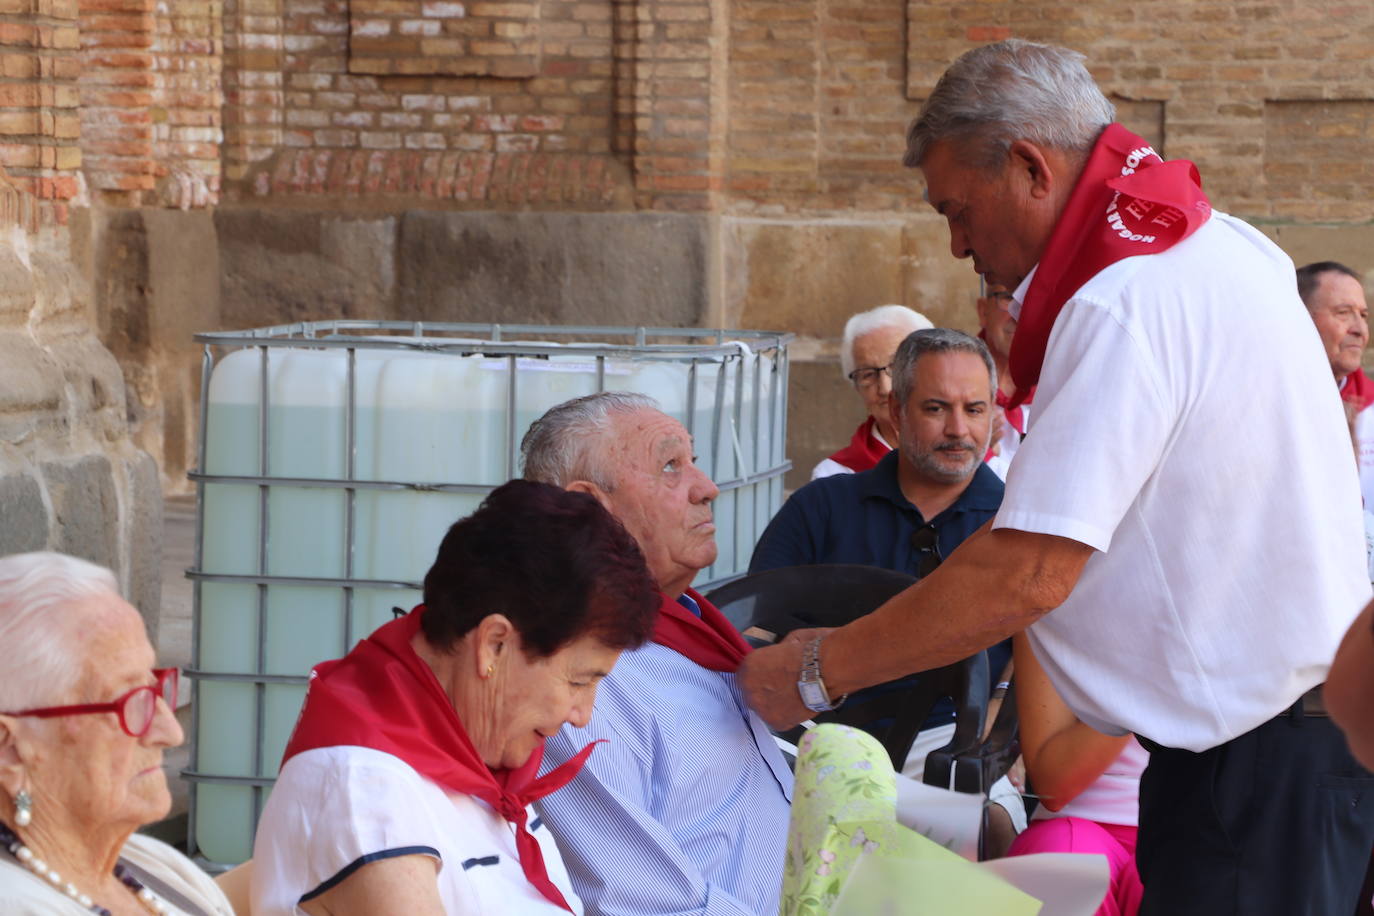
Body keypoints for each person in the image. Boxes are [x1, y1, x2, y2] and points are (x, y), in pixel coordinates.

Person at [737, 38, 1374, 916]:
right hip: (1277, 746)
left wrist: (818, 670)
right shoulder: (1227, 246)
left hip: (1257, 760)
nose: (958, 244)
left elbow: (1029, 570)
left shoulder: (1124, 299)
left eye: (957, 210)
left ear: (1032, 168)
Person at [251, 480, 661, 916]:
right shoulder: (362, 790)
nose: (583, 715)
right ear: (495, 645)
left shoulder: (473, 755)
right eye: (579, 681)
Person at [522, 392, 793, 916]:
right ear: (591, 508)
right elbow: (643, 905)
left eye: (694, 461)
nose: (707, 488)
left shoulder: (687, 625)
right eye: (671, 466)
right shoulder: (580, 676)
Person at [0, 551, 235, 916]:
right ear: (9, 749)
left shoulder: (151, 865)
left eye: (155, 688)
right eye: (129, 702)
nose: (170, 732)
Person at [1006, 633, 1145, 916]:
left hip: (1202, 819)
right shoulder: (1052, 604)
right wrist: (1151, 676)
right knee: (1064, 872)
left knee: (1187, 872)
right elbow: (1054, 787)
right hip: (1076, 820)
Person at [812, 305, 933, 479]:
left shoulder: (971, 461)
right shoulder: (833, 477)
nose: (885, 388)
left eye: (896, 366)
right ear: (856, 387)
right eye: (868, 374)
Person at [1297, 261, 1374, 505]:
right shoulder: (1261, 403)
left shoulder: (1370, 406)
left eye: (1363, 315)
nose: (1360, 330)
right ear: (1300, 319)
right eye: (1343, 313)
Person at [976, 280, 1030, 480]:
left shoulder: (1060, 384)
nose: (1019, 313)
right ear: (983, 311)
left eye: (1032, 298)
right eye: (1009, 297)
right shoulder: (953, 384)